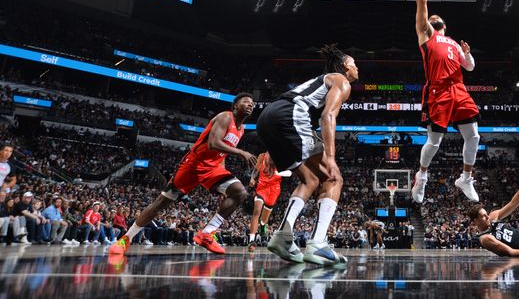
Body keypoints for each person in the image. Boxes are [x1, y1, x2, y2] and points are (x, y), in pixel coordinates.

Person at [110, 93, 257, 256]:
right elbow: (213, 143)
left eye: (252, 103)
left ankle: (207, 233)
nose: (251, 105)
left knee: (240, 192)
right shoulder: (225, 117)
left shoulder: (241, 129)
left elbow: (222, 153)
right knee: (162, 202)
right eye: (246, 102)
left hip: (213, 167)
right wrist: (241, 152)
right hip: (193, 164)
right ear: (236, 106)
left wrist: (221, 172)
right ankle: (125, 239)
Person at [257, 45, 358, 265]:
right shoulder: (342, 81)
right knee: (334, 178)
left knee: (310, 179)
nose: (357, 67)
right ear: (344, 66)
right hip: (290, 114)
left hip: (268, 118)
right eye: (354, 63)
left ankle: (283, 237)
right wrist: (330, 157)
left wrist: (272, 147)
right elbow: (327, 117)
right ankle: (318, 244)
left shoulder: (320, 80)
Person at [404, 0, 481, 203]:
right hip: (438, 90)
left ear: (444, 25)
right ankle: (422, 176)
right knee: (435, 141)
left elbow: (469, 67)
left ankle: (465, 178)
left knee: (474, 135)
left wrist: (467, 55)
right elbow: (421, 2)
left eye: (438, 18)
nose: (433, 17)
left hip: (458, 88)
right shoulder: (426, 35)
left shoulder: (454, 43)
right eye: (431, 17)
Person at [247, 151, 289, 251]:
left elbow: (289, 172)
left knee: (264, 218)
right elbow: (256, 170)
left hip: (274, 189)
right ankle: (252, 240)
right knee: (256, 211)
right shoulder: (262, 155)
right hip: (262, 187)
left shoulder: (282, 156)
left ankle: (262, 226)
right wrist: (252, 178)